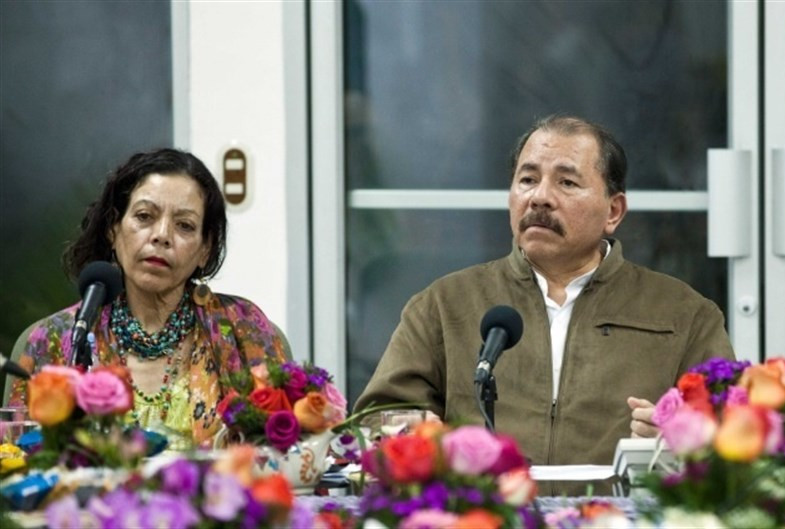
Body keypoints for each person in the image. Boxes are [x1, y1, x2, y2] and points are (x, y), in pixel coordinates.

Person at [354, 115, 736, 493]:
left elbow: (734, 438)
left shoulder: (684, 314)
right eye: (527, 180)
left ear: (613, 211)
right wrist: (424, 440)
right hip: (486, 516)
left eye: (567, 182)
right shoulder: (444, 304)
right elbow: (375, 421)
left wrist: (680, 440)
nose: (540, 197)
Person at [8, 148, 289, 450]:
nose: (162, 235)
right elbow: (14, 457)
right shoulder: (56, 339)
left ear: (205, 250)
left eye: (184, 225)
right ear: (113, 229)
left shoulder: (245, 331)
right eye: (144, 216)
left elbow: (290, 455)